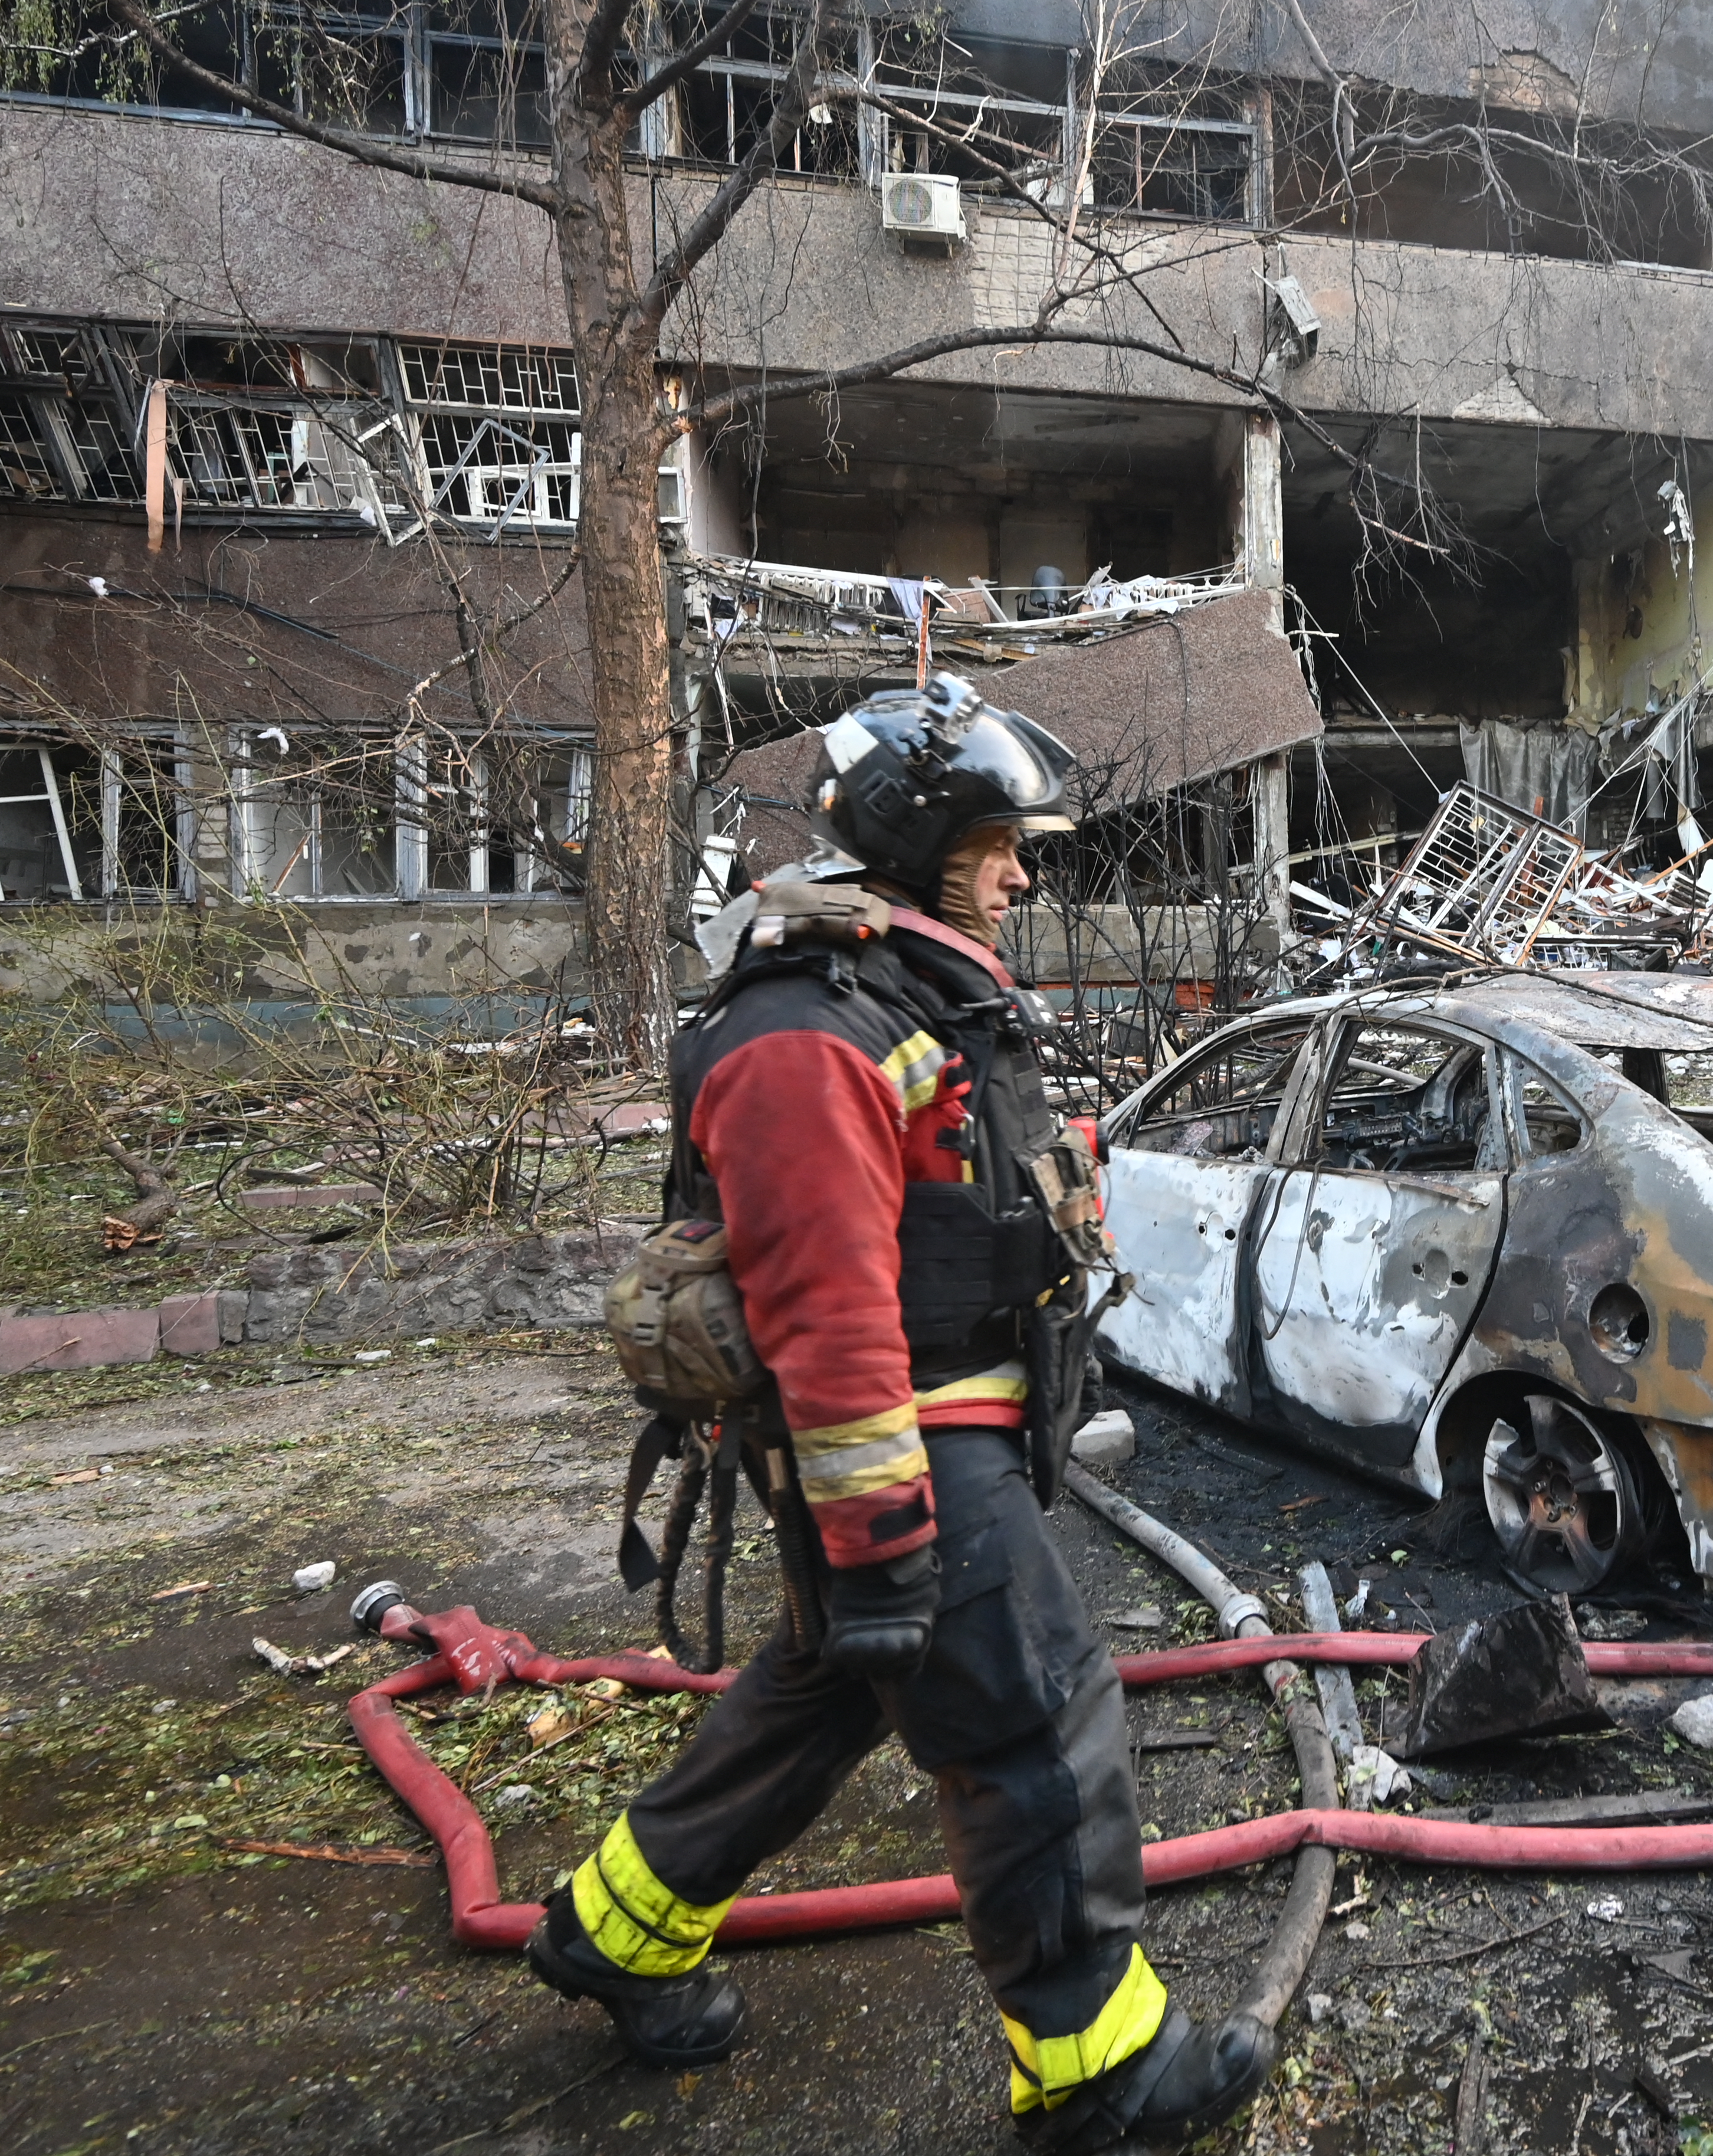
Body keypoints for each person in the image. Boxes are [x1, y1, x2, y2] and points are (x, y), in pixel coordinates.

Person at [528, 676, 1274, 2154]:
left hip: (945, 1428)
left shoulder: (898, 990)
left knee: (814, 1705)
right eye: (998, 840)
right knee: (1033, 1719)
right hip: (905, 1448)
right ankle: (1097, 2069)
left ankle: (615, 1926)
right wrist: (881, 1544)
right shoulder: (808, 1030)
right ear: (919, 835)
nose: (1019, 868)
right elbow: (827, 1306)